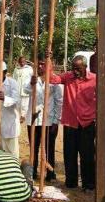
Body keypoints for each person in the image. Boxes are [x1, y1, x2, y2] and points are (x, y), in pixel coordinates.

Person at [47, 55, 96, 192]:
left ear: (85, 67)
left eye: (78, 69)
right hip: (70, 122)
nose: (75, 71)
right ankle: (71, 182)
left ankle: (89, 184)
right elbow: (52, 78)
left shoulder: (94, 79)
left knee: (87, 156)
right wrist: (49, 61)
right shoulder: (68, 77)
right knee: (69, 154)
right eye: (73, 68)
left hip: (87, 123)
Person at [25, 57, 62, 181]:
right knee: (33, 148)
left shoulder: (54, 80)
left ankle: (50, 174)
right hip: (34, 120)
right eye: (39, 64)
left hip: (48, 121)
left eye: (43, 65)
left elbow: (59, 101)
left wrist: (56, 121)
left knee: (49, 148)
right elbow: (25, 91)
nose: (41, 67)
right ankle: (32, 172)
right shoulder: (32, 78)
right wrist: (32, 83)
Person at [13, 56, 33, 123]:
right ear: (19, 62)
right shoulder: (16, 69)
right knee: (18, 104)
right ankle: (17, 115)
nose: (22, 63)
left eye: (23, 62)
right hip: (18, 89)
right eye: (20, 62)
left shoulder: (29, 69)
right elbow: (14, 79)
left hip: (26, 89)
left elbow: (33, 78)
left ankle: (23, 116)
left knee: (25, 104)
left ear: (25, 62)